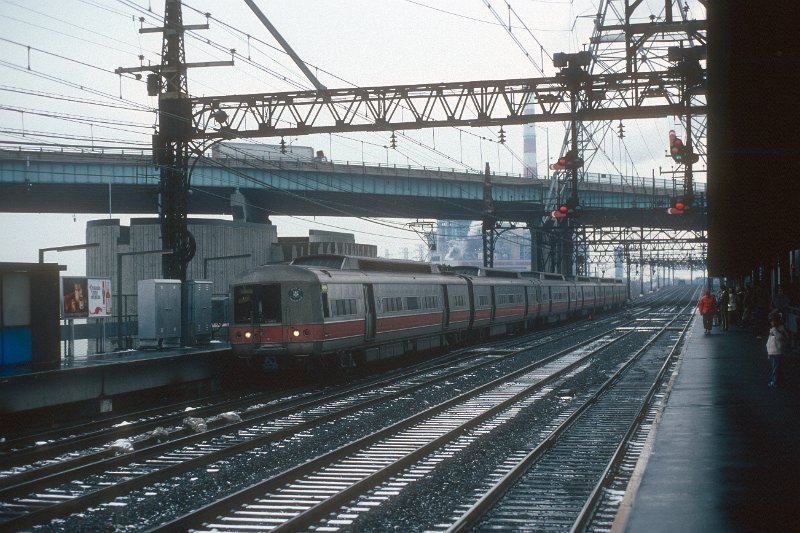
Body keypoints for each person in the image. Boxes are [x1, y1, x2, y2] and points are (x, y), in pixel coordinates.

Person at [766, 312, 789, 387]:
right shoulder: (772, 329)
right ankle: (781, 381)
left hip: (777, 352)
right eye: (771, 321)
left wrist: (775, 331)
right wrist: (768, 353)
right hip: (772, 352)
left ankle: (774, 382)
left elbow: (781, 337)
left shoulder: (780, 328)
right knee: (777, 368)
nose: (772, 322)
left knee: (775, 368)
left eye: (773, 321)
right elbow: (769, 342)